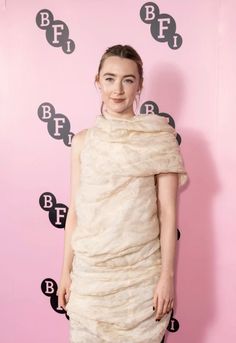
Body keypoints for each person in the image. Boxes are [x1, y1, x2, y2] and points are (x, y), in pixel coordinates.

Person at [57, 44, 188, 343]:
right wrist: (65, 272)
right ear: (97, 81)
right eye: (110, 78)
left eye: (128, 80)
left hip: (140, 280)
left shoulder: (158, 139)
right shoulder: (82, 142)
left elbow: (168, 214)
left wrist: (166, 278)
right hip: (90, 279)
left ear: (140, 85)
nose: (118, 89)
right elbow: (74, 211)